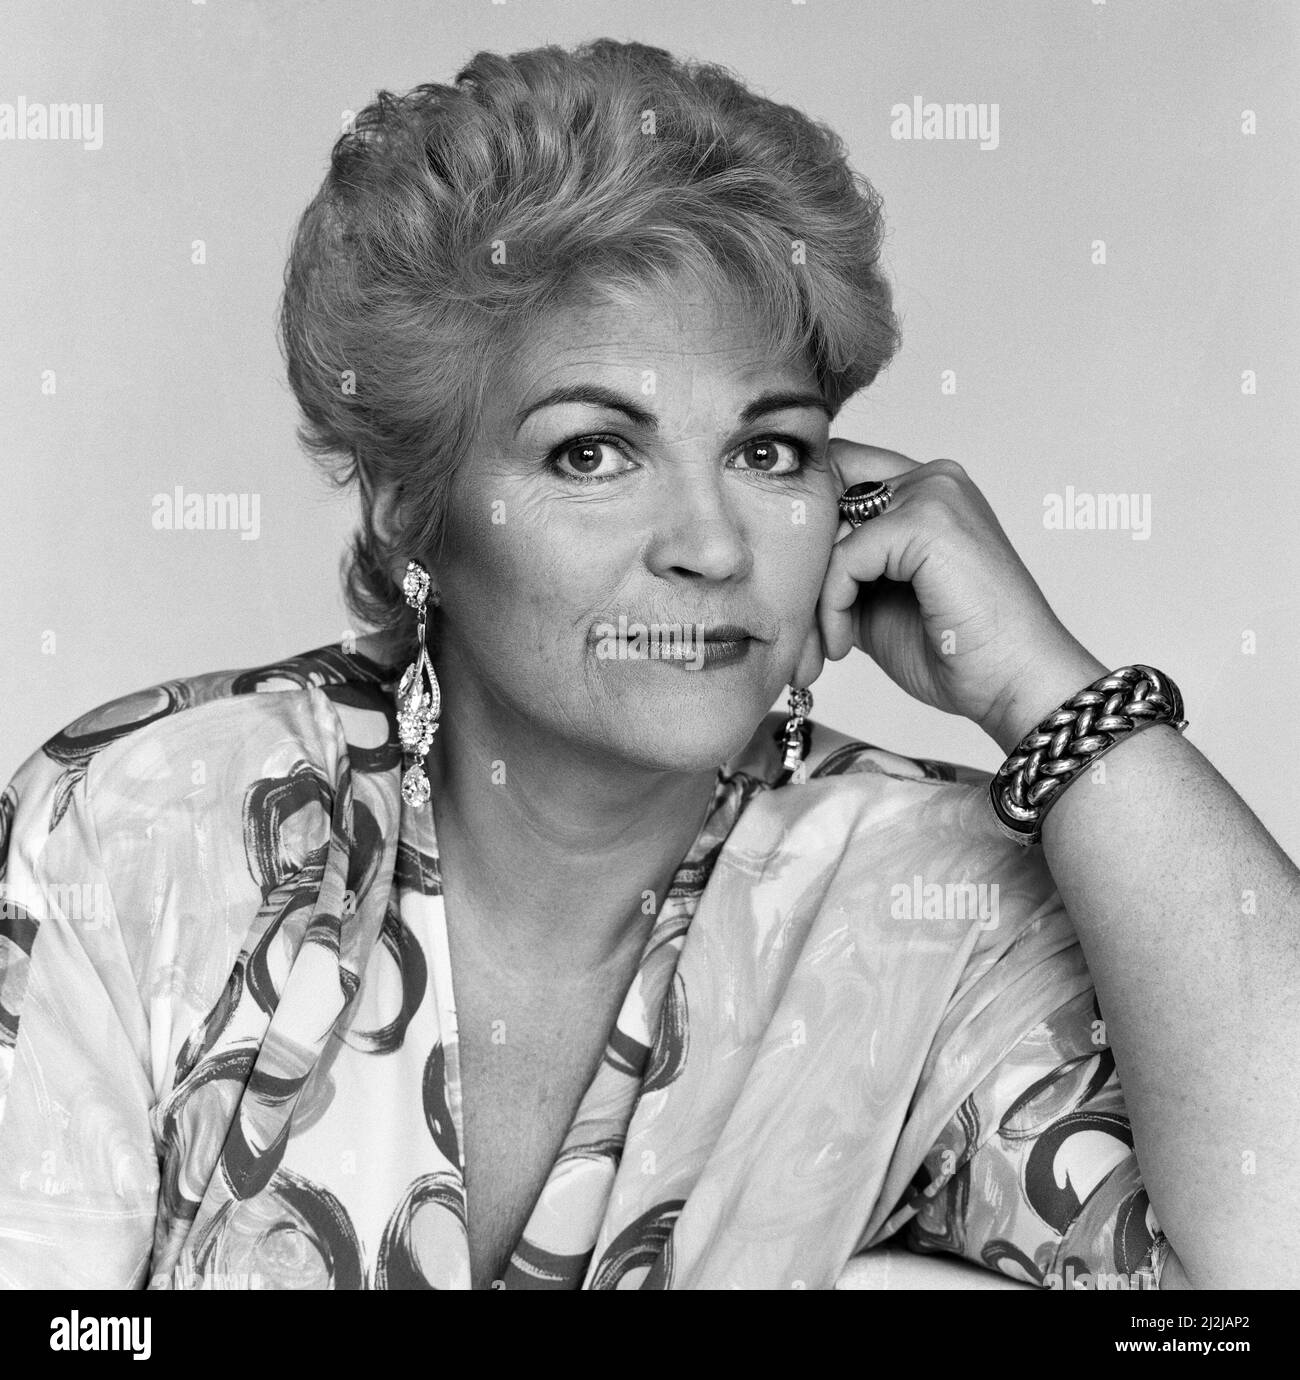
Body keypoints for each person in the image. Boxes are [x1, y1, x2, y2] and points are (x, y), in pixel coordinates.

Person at [0, 38, 1295, 1292]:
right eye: (590, 453)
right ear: (413, 508)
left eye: (771, 450)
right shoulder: (146, 832)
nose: (714, 545)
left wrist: (1049, 696)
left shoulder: (922, 908)